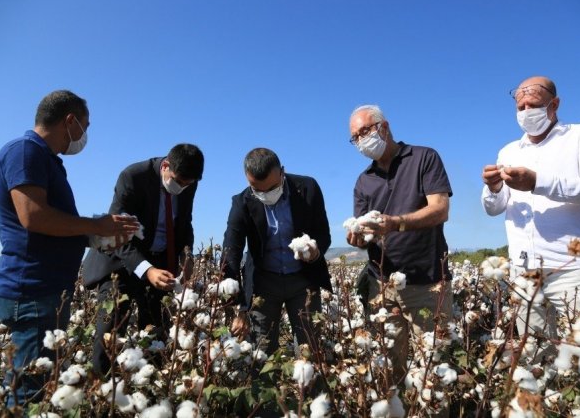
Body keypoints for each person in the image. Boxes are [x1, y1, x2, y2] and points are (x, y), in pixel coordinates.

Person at [0, 90, 140, 407]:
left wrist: (99, 235)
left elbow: (53, 226)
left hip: (43, 291)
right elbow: (33, 217)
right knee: (28, 394)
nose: (85, 135)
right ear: (70, 121)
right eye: (86, 125)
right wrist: (94, 225)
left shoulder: (45, 160)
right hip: (32, 290)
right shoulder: (25, 152)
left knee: (32, 385)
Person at [481, 76, 580, 338]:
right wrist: (493, 188)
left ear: (554, 104)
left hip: (573, 269)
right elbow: (494, 209)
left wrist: (537, 182)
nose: (526, 112)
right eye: (521, 107)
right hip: (523, 273)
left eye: (533, 105)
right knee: (533, 354)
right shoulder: (508, 151)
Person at [346, 104, 454, 386]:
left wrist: (396, 223)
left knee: (433, 371)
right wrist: (357, 238)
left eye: (364, 132)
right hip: (382, 287)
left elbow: (440, 209)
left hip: (427, 284)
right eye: (355, 137)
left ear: (384, 127)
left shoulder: (423, 158)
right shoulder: (363, 181)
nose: (361, 141)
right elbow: (365, 234)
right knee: (388, 370)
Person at [82, 143, 204, 376]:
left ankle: (150, 387)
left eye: (188, 184)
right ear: (166, 166)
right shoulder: (133, 177)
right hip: (121, 264)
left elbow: (184, 222)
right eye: (178, 182)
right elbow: (116, 232)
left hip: (161, 265)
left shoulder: (188, 182)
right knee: (109, 333)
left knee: (157, 335)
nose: (182, 188)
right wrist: (146, 269)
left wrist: (187, 256)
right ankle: (102, 388)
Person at [222, 148, 332, 357]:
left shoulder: (307, 188)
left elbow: (323, 233)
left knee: (310, 348)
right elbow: (232, 246)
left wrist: (315, 252)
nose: (265, 194)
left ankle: (309, 378)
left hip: (304, 280)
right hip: (264, 284)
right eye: (257, 189)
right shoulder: (242, 201)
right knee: (262, 351)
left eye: (272, 188)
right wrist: (234, 293)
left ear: (282, 172)